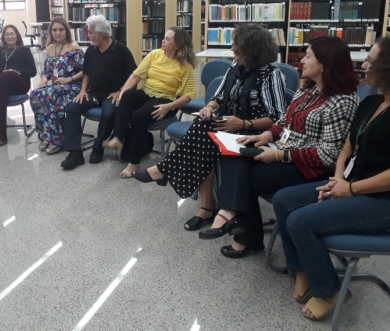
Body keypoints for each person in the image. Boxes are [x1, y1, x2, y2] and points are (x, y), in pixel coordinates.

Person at [198, 36, 360, 260]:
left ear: (325, 62)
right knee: (234, 152)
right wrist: (266, 135)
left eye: (308, 56)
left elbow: (329, 155)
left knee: (246, 178)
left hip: (307, 167)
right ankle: (231, 215)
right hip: (280, 149)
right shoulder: (307, 90)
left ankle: (244, 233)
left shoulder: (342, 100)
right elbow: (283, 121)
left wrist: (279, 155)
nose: (302, 60)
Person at [272, 37, 390, 322]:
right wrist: (338, 178)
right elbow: (348, 145)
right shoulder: (372, 101)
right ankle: (300, 268)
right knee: (283, 200)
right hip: (350, 183)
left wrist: (350, 189)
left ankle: (329, 290)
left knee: (299, 222)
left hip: (380, 199)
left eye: (372, 60)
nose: (364, 64)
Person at [133, 24, 287, 232]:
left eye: (237, 47)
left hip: (255, 131)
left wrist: (242, 123)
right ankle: (203, 204)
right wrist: (208, 107)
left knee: (203, 138)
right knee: (202, 125)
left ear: (251, 51)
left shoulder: (272, 74)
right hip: (229, 123)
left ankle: (178, 183)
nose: (233, 50)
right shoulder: (235, 67)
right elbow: (219, 96)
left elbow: (277, 117)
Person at [103, 26, 196, 179]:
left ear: (177, 44)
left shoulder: (185, 65)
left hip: (167, 101)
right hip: (148, 92)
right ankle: (117, 139)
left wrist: (170, 106)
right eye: (164, 37)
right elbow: (136, 75)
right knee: (128, 96)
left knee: (137, 117)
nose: (163, 41)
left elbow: (188, 95)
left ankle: (134, 161)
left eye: (167, 39)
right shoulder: (154, 54)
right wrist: (123, 92)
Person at [60, 15, 137, 170]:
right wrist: (82, 91)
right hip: (94, 93)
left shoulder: (121, 50)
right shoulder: (91, 50)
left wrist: (120, 91)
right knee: (72, 108)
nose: (88, 35)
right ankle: (75, 153)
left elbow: (134, 76)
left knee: (108, 113)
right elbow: (87, 73)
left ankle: (98, 147)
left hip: (112, 94)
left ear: (100, 35)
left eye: (90, 33)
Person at [30, 17, 84, 155]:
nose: (57, 33)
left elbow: (85, 71)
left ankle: (56, 139)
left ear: (66, 31)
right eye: (54, 30)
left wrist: (69, 79)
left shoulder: (73, 46)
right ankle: (46, 133)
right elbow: (47, 71)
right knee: (35, 95)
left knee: (49, 95)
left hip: (72, 86)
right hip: (56, 87)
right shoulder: (49, 48)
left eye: (61, 29)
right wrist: (43, 78)